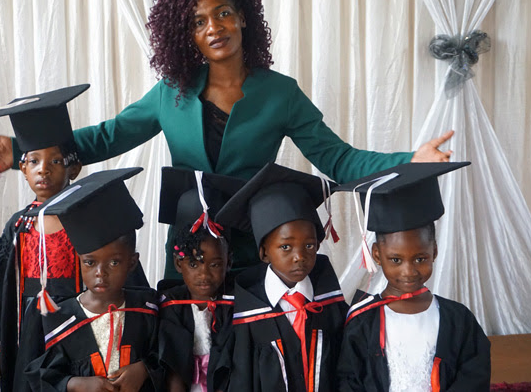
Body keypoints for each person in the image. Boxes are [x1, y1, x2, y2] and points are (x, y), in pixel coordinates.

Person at [0, 0, 455, 278]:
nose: (213, 27)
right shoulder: (170, 94)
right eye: (199, 22)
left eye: (222, 14)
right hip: (190, 241)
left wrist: (412, 159)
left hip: (254, 240)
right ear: (189, 37)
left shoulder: (280, 93)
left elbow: (338, 158)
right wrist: (22, 152)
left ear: (242, 18)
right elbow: (108, 137)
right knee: (186, 347)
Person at [334, 162, 491, 391]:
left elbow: (474, 376)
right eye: (396, 260)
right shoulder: (362, 322)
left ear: (434, 252)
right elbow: (348, 381)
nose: (409, 271)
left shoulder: (458, 320)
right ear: (377, 255)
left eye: (420, 259)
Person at [0, 85, 87, 392]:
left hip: (79, 334)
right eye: (34, 161)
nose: (43, 171)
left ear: (73, 167)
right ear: (22, 168)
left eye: (55, 161)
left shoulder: (89, 219)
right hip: (28, 338)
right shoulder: (18, 227)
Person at [24, 168, 162, 391]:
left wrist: (144, 369)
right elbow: (40, 376)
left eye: (114, 262)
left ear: (132, 262)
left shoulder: (148, 309)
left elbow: (168, 358)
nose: (101, 272)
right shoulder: (60, 319)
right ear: (79, 262)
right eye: (90, 262)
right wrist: (75, 383)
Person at [215, 163, 348, 391]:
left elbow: (348, 371)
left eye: (309, 245)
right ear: (264, 253)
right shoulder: (245, 317)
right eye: (286, 247)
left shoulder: (331, 305)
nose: (300, 257)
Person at [156, 167, 241, 391]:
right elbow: (171, 369)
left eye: (215, 264)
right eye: (193, 264)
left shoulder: (238, 303)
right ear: (177, 263)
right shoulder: (170, 304)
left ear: (228, 262)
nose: (204, 274)